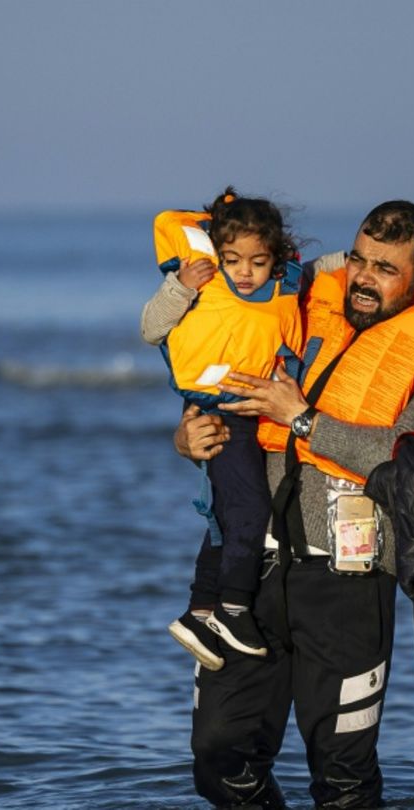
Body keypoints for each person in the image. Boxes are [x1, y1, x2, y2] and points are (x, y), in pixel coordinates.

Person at [172, 200, 414, 808]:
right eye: (357, 259)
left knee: (343, 779)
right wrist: (188, 434)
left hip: (348, 590)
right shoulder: (301, 316)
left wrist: (302, 419)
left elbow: (405, 454)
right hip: (251, 578)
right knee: (218, 758)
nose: (361, 275)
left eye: (384, 268)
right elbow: (217, 375)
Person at [140, 188, 305, 668]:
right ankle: (232, 610)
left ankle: (200, 613)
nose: (245, 273)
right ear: (217, 253)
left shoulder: (286, 287)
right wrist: (181, 287)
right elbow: (151, 329)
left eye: (257, 261)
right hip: (221, 414)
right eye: (233, 260)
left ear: (274, 258)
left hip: (252, 415)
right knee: (247, 511)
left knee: (226, 519)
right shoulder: (196, 282)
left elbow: (328, 268)